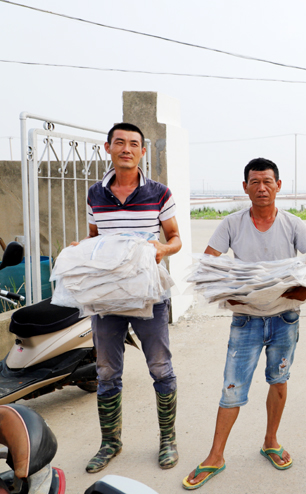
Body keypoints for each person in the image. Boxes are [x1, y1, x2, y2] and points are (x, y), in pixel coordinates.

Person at [184, 158, 306, 490]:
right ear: (245, 187)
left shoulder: (293, 224)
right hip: (246, 320)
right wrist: (229, 296)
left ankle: (271, 441)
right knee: (232, 388)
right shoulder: (232, 224)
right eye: (255, 182)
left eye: (268, 182)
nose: (262, 188)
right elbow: (207, 266)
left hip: (284, 319)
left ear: (278, 186)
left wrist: (300, 293)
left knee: (279, 380)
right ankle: (215, 456)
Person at [83, 123, 183, 473]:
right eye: (120, 142)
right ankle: (110, 442)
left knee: (160, 367)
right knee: (107, 371)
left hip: (149, 295)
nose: (126, 148)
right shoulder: (95, 194)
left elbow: (175, 238)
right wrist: (81, 250)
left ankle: (168, 440)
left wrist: (162, 249)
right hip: (107, 297)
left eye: (133, 144)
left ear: (142, 151)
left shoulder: (159, 193)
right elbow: (93, 237)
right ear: (108, 147)